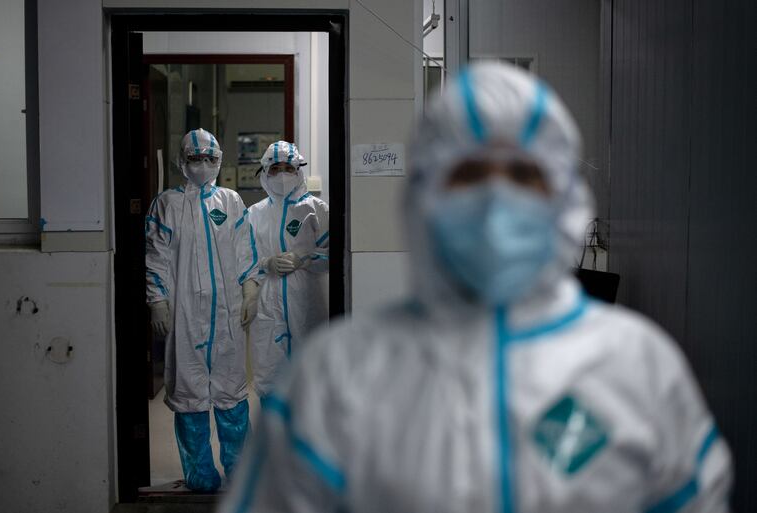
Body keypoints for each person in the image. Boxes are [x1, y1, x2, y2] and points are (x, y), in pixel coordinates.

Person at [220, 64, 733, 512]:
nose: (494, 203)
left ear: (566, 196)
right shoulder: (337, 380)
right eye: (466, 176)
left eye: (523, 176)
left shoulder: (636, 369)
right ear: (422, 195)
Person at [146, 128, 255, 492]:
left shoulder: (231, 201)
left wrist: (250, 288)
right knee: (191, 395)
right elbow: (155, 256)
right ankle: (200, 477)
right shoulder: (166, 204)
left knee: (231, 392)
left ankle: (240, 474)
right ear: (182, 162)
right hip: (185, 313)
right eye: (195, 159)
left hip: (227, 310)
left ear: (218, 161)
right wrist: (157, 299)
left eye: (209, 159)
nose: (203, 165)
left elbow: (245, 250)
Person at [242, 141, 329, 400]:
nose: (282, 174)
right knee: (270, 377)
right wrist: (267, 263)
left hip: (307, 301)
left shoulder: (316, 209)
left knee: (310, 380)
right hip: (268, 305)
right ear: (264, 172)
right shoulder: (253, 214)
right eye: (275, 168)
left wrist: (302, 259)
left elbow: (332, 256)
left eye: (288, 168)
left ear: (298, 170)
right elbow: (245, 260)